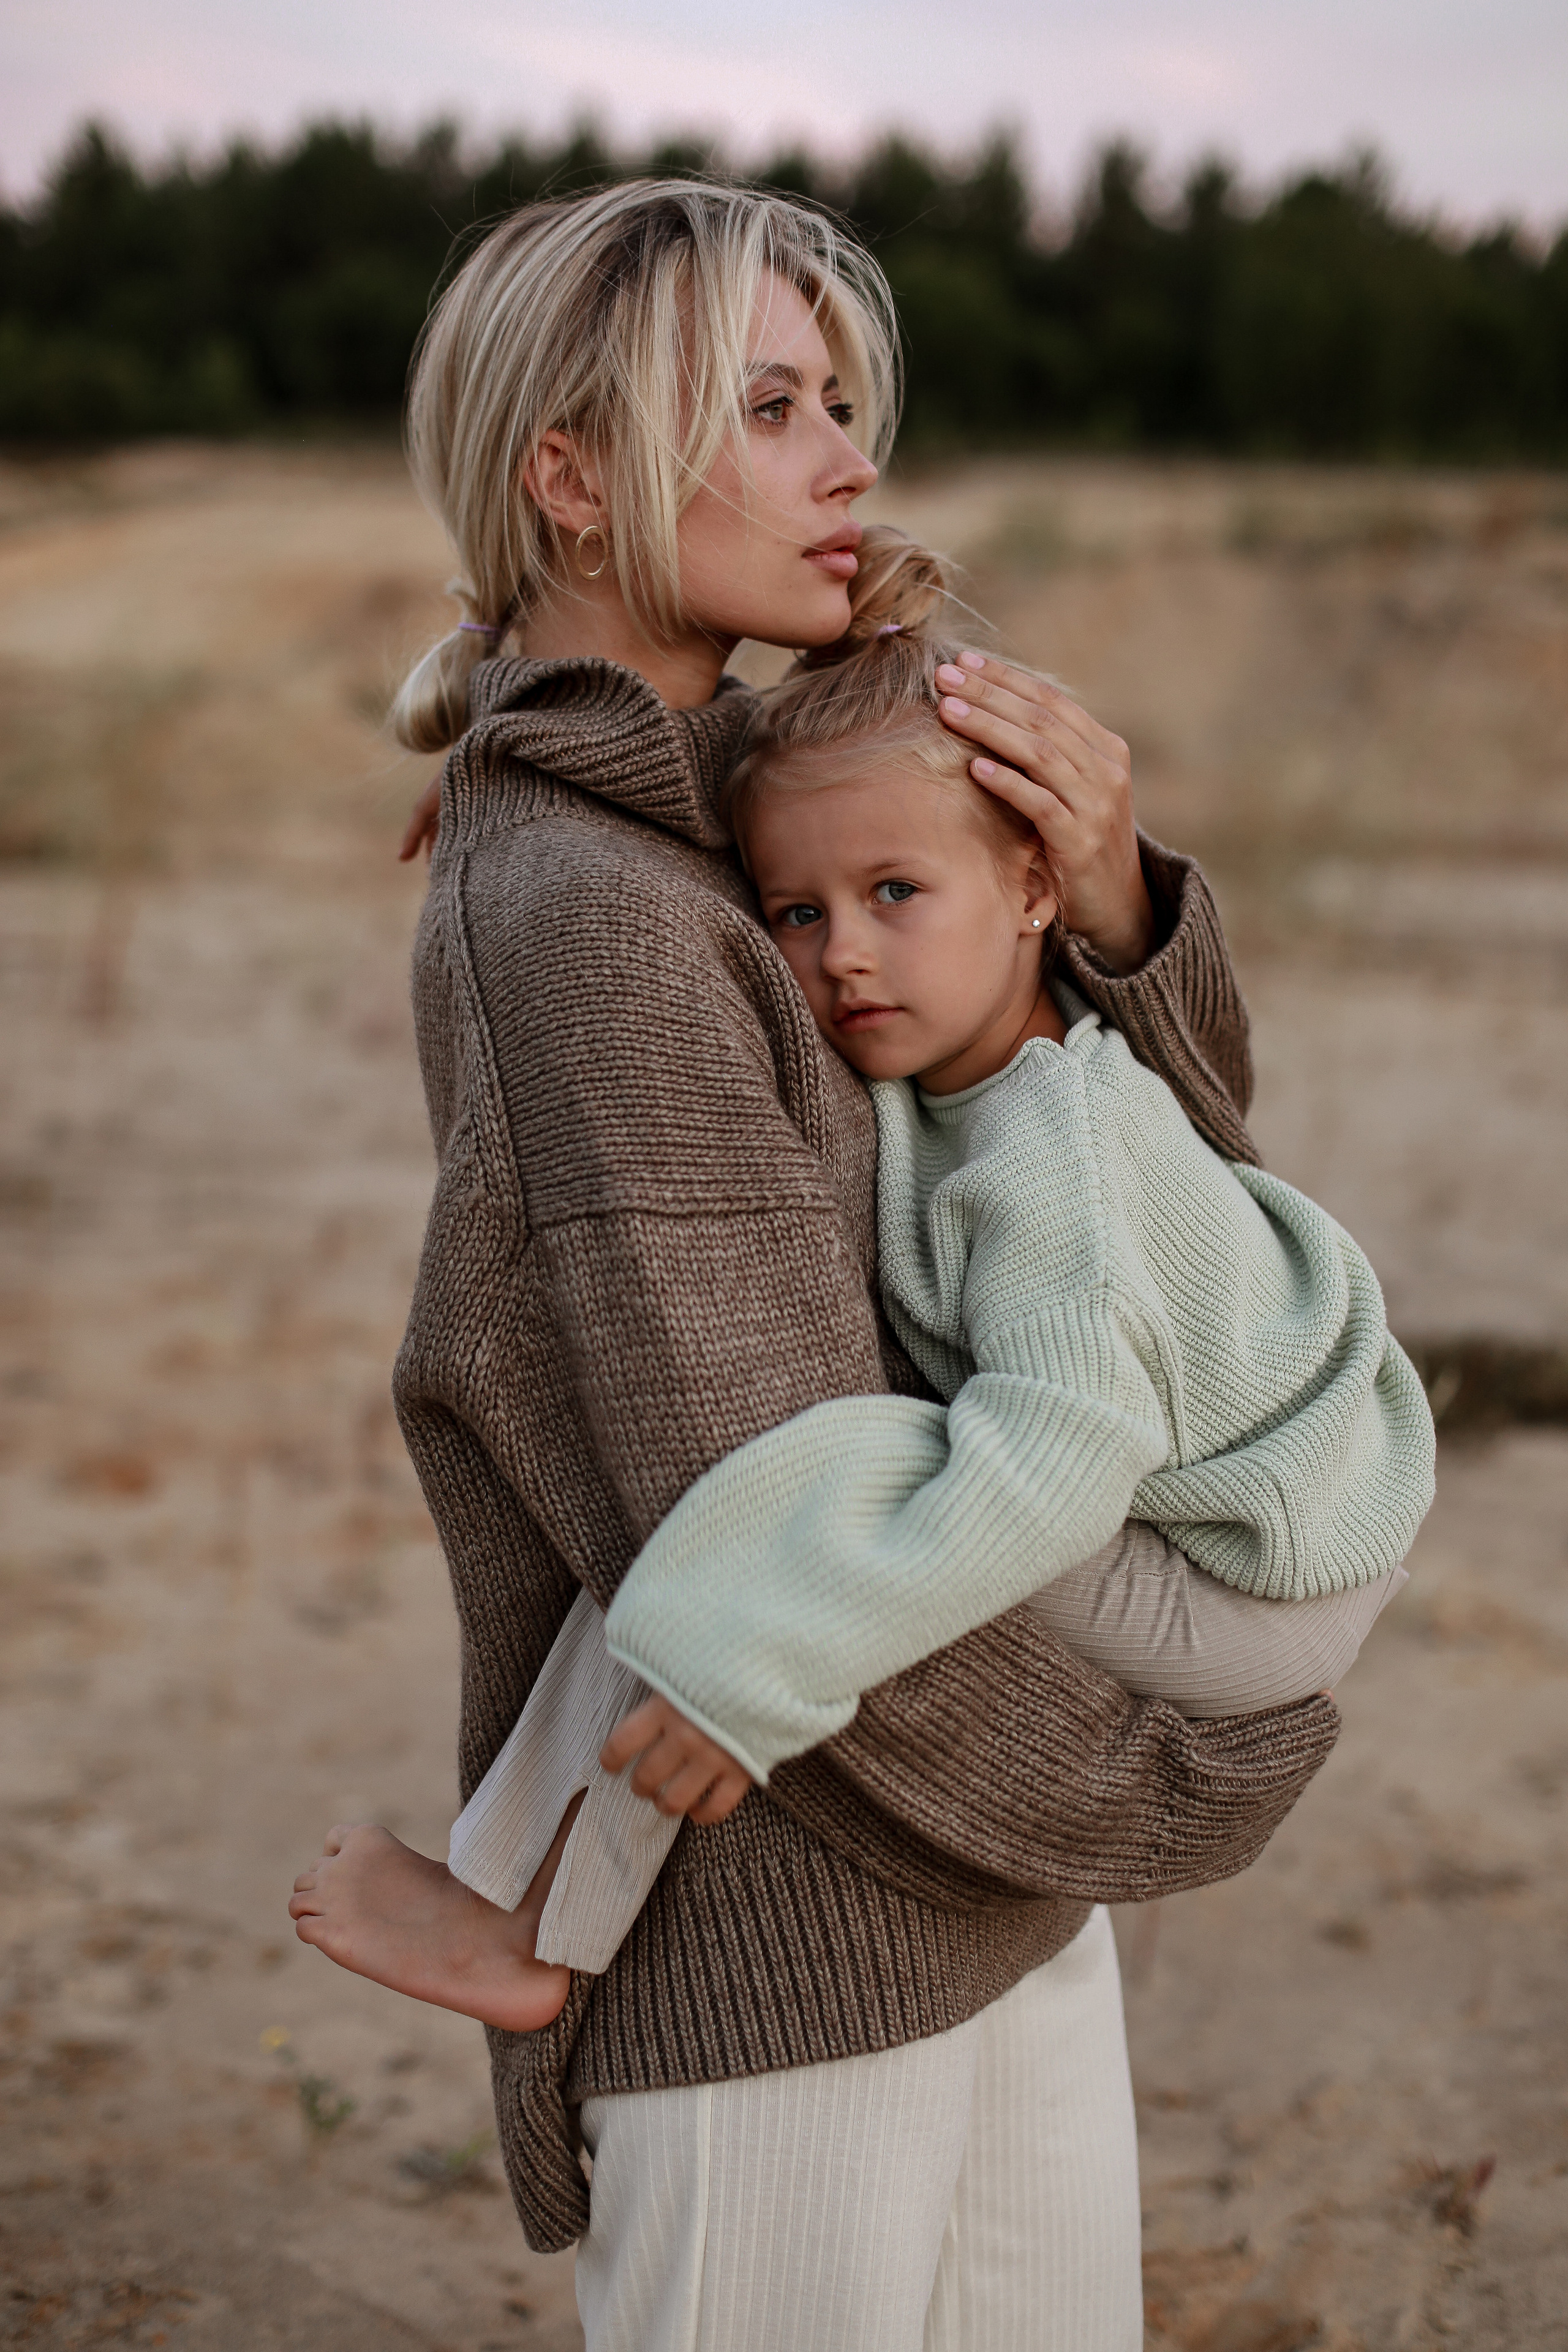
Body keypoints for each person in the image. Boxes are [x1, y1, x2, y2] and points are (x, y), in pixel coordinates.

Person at [290, 179, 1341, 2352]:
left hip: (978, 1896)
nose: (849, 456)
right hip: (789, 1958)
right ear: (566, 476)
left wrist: (1112, 906)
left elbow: (1155, 1197)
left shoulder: (760, 820)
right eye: (766, 406)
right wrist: (1160, 1780)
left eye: (843, 398)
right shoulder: (597, 915)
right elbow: (761, 1512)